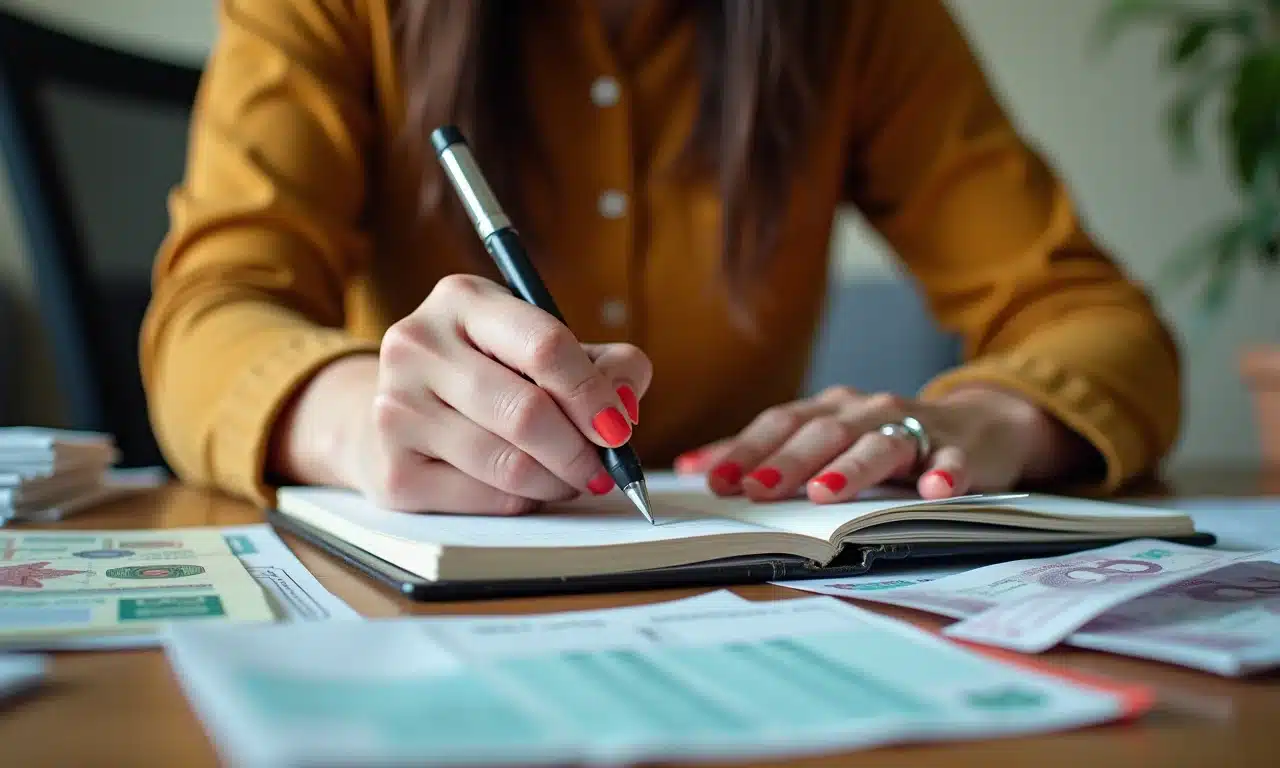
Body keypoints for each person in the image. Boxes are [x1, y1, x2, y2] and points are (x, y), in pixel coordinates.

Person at [139, 0, 1181, 515]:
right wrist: (358, 420)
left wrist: (990, 419)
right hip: (422, 589)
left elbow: (1092, 319)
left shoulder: (859, 19)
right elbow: (208, 314)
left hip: (759, 581)